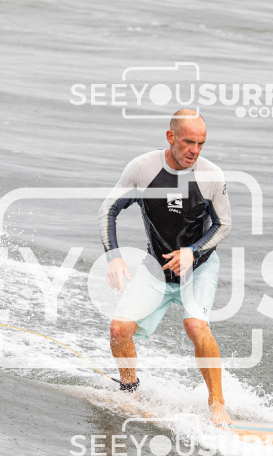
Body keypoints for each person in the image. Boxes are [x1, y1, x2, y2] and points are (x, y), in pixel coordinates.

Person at [97, 108, 232, 425]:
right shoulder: (143, 169)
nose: (195, 151)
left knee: (196, 326)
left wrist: (193, 252)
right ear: (171, 137)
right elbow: (107, 210)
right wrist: (114, 256)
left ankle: (217, 405)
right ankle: (129, 390)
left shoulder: (211, 176)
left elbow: (223, 225)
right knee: (118, 330)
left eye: (201, 143)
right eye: (188, 142)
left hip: (198, 268)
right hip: (156, 267)